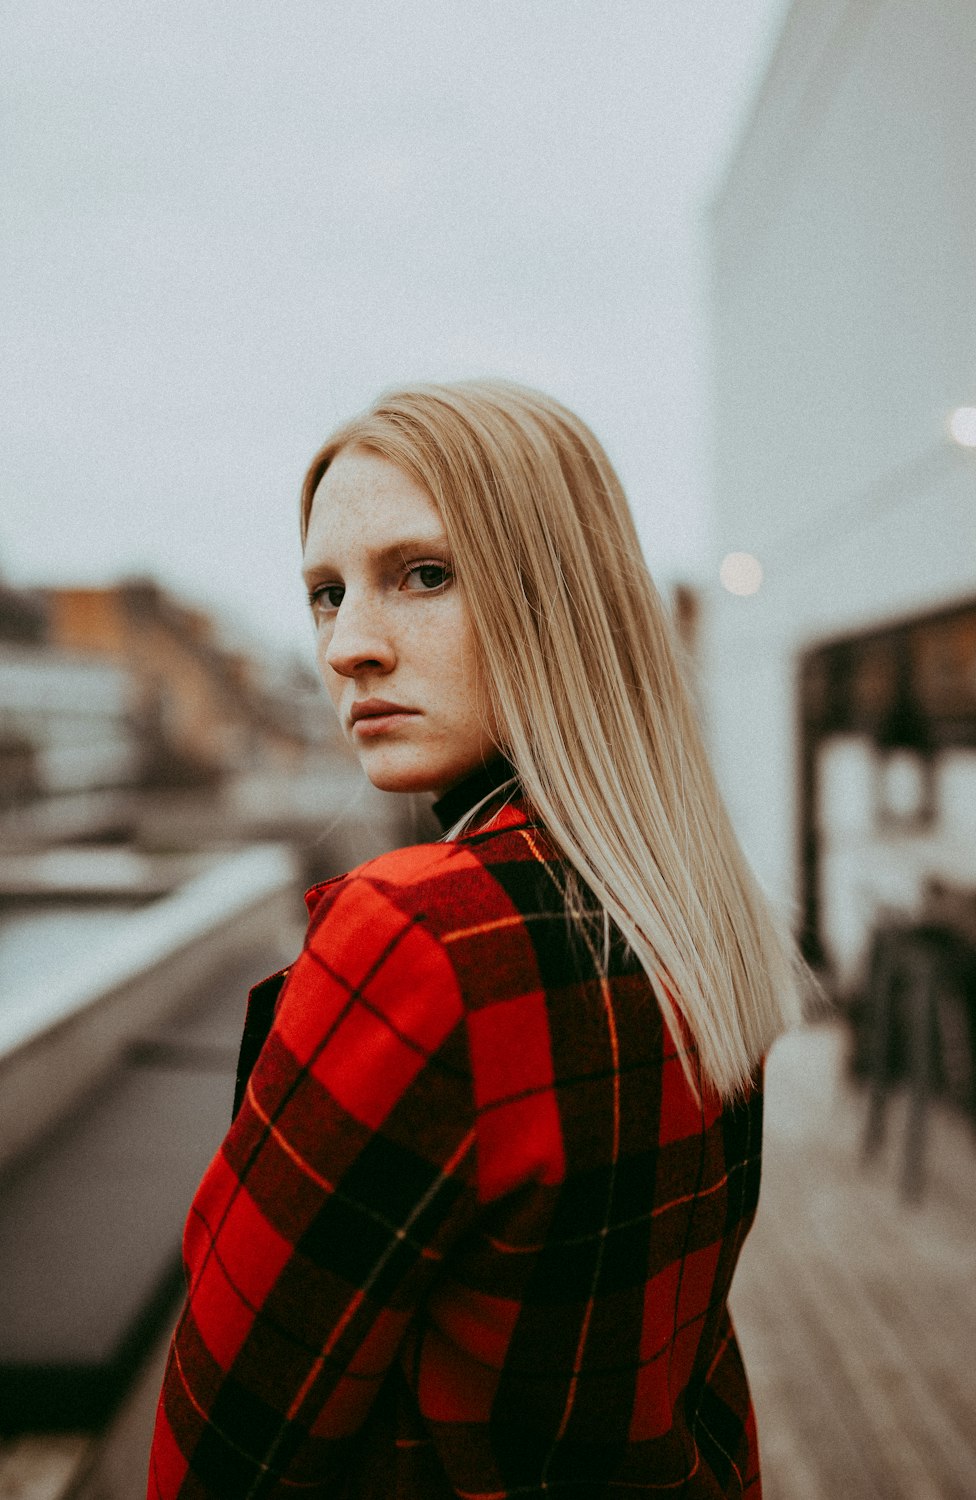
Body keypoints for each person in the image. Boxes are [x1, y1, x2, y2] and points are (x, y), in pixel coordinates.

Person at [148, 380, 803, 1498]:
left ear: (561, 600)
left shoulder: (419, 938)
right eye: (322, 593)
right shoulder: (682, 907)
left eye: (425, 574)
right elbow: (681, 1373)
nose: (350, 646)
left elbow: (228, 1444)